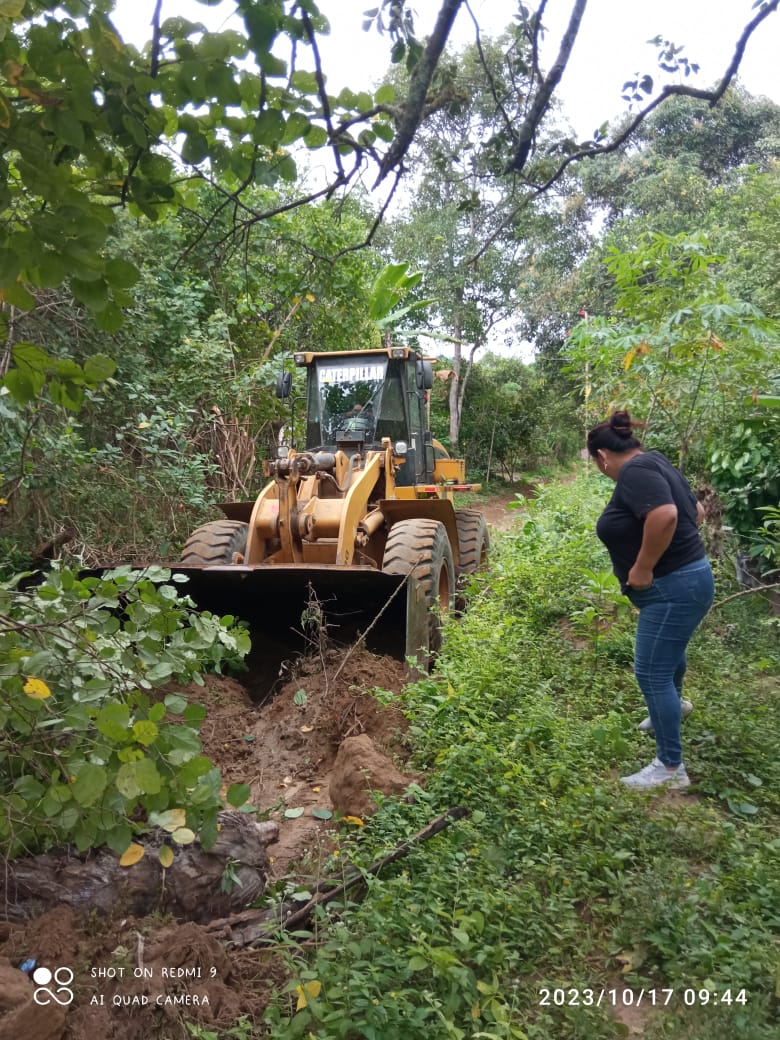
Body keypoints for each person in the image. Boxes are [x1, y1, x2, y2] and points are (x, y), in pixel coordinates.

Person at [587, 410, 713, 789]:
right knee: (669, 653)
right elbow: (697, 512)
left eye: (596, 464)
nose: (600, 471)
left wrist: (643, 567)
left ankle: (670, 769)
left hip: (672, 586)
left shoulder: (633, 472)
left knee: (651, 671)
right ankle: (675, 707)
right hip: (691, 578)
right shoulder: (656, 460)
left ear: (602, 456)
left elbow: (666, 514)